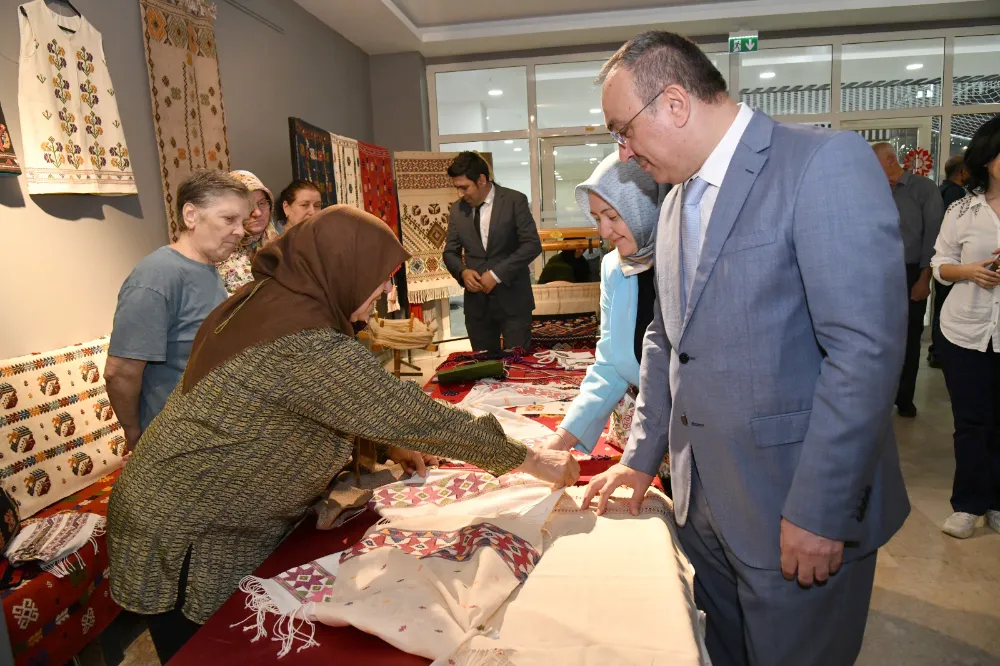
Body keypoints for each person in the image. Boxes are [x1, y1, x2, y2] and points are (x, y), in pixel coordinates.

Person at [106, 206, 580, 664]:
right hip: (185, 529)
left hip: (195, 509)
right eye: (378, 278)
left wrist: (385, 441)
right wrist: (533, 461)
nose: (383, 291)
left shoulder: (274, 302)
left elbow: (309, 404)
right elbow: (418, 417)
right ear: (342, 268)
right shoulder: (303, 339)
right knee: (209, 650)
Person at [582, 31, 910, 666]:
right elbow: (667, 339)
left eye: (624, 130)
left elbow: (863, 354)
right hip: (703, 507)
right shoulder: (674, 199)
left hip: (791, 508)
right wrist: (642, 457)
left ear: (674, 104)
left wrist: (821, 510)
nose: (623, 152)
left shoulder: (821, 164)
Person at [105, 170, 249, 455]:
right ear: (191, 216)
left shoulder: (207, 269)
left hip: (213, 435)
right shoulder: (157, 275)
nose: (241, 231)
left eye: (243, 222)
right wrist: (135, 435)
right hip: (177, 444)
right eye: (229, 219)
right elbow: (119, 373)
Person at [537, 154, 660, 457]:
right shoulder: (613, 267)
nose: (603, 232)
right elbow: (610, 366)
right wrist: (562, 440)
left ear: (643, 206)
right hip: (651, 437)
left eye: (613, 217)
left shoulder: (686, 261)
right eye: (596, 219)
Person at [930, 115, 1000, 540]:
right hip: (965, 331)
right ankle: (968, 504)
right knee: (972, 422)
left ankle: (996, 501)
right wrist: (970, 271)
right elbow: (940, 264)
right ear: (988, 160)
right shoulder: (962, 210)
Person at [872, 142, 944, 417]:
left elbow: (933, 237)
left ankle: (904, 397)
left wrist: (924, 278)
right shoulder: (875, 190)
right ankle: (880, 398)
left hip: (911, 272)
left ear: (891, 160)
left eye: (875, 163)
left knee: (910, 337)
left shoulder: (924, 189)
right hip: (878, 274)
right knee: (879, 339)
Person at [443, 152, 542, 352]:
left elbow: (532, 245)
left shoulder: (514, 200)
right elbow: (450, 252)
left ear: (481, 180)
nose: (460, 194)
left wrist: (496, 275)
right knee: (484, 367)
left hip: (513, 302)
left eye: (464, 187)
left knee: (517, 365)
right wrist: (463, 272)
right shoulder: (457, 210)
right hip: (477, 308)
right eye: (457, 188)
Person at [928, 155, 971, 368]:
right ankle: (940, 351)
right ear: (962, 172)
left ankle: (937, 350)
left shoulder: (940, 190)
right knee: (945, 306)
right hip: (952, 264)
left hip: (941, 260)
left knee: (940, 306)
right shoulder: (958, 198)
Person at [217, 170, 279, 294]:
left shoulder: (282, 246)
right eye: (248, 205)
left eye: (262, 203)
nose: (257, 213)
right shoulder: (217, 253)